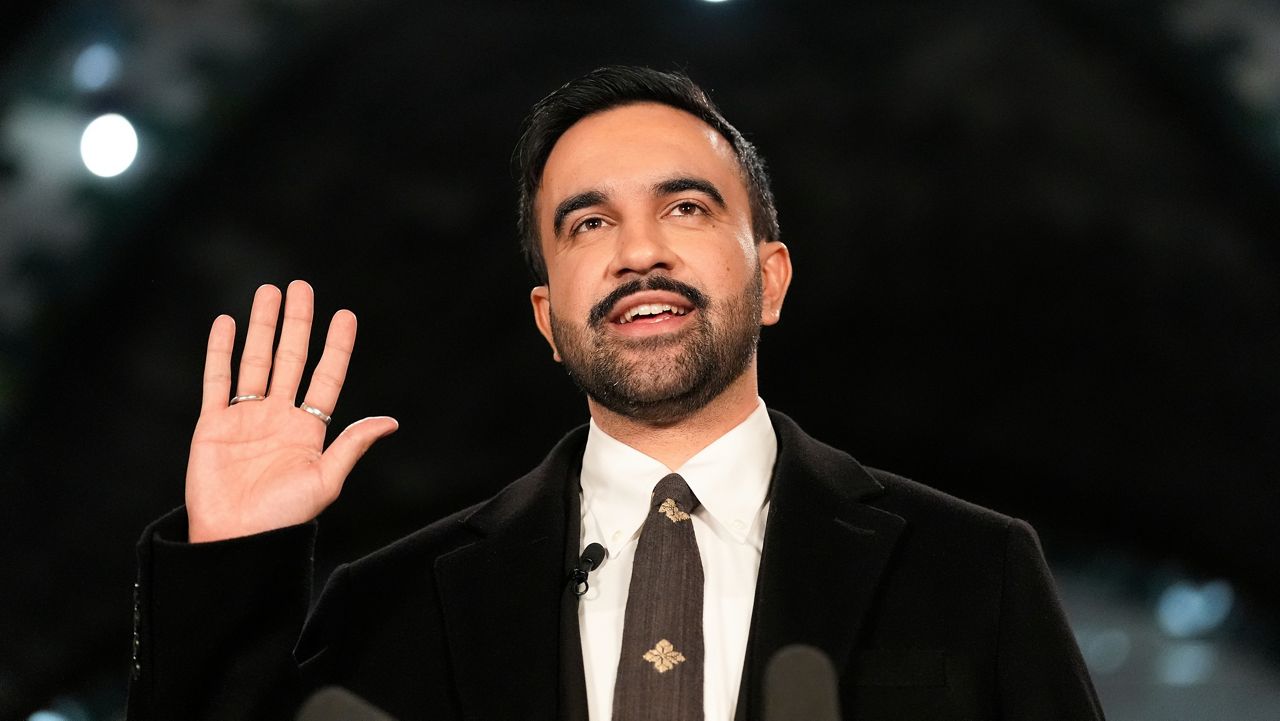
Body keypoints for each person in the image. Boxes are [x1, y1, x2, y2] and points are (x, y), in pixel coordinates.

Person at [126, 66, 1105, 721]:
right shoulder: (392, 605)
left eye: (684, 207)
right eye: (588, 223)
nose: (638, 252)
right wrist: (232, 559)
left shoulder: (971, 571)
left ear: (769, 277)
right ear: (548, 319)